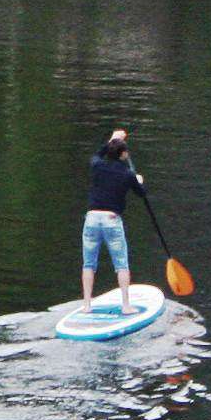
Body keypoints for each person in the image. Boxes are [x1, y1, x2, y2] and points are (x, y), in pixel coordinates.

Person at [81, 128, 146, 314]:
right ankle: (126, 306)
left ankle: (86, 305)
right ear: (123, 154)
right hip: (111, 220)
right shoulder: (127, 174)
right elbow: (141, 194)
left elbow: (96, 155)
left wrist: (112, 139)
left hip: (92, 219)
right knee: (121, 265)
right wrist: (139, 181)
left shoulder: (98, 166)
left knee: (88, 264)